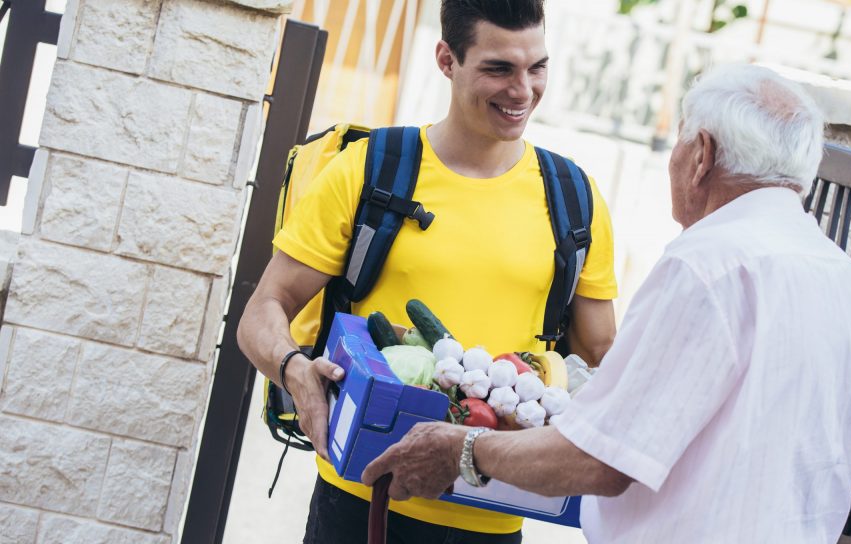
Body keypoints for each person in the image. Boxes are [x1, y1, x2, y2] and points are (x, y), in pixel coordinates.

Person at [361, 63, 851, 543]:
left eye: (679, 139)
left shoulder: (709, 265)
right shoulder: (850, 284)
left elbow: (601, 460)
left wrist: (461, 449)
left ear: (700, 154)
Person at [236, 1, 618, 542]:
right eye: (498, 68)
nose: (523, 91)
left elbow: (603, 363)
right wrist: (295, 370)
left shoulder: (575, 198)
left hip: (493, 511)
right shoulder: (371, 168)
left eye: (537, 67)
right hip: (361, 500)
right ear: (446, 59)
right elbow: (262, 310)